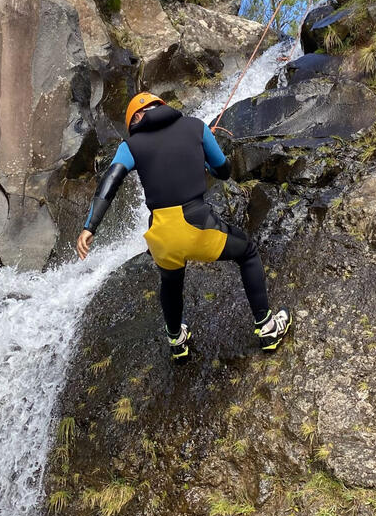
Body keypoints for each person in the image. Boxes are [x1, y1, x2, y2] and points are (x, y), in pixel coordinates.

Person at [76, 92, 291, 362]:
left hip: (162, 237)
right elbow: (223, 171)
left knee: (171, 279)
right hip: (198, 227)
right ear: (162, 107)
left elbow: (110, 182)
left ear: (136, 119)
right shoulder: (196, 126)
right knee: (247, 252)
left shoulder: (130, 146)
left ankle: (177, 341)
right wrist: (204, 160)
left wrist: (90, 227)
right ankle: (267, 328)